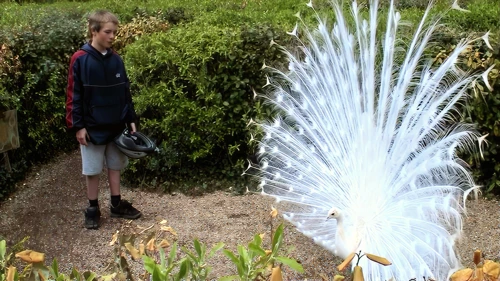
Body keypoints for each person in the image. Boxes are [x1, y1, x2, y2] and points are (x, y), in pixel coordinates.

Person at [66, 10, 141, 229]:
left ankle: (117, 205)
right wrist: (78, 126)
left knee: (115, 165)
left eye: (114, 32)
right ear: (94, 30)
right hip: (92, 128)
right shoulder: (80, 59)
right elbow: (73, 96)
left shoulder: (116, 59)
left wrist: (130, 118)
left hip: (116, 125)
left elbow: (124, 92)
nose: (112, 36)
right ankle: (92, 208)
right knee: (92, 170)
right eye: (108, 32)